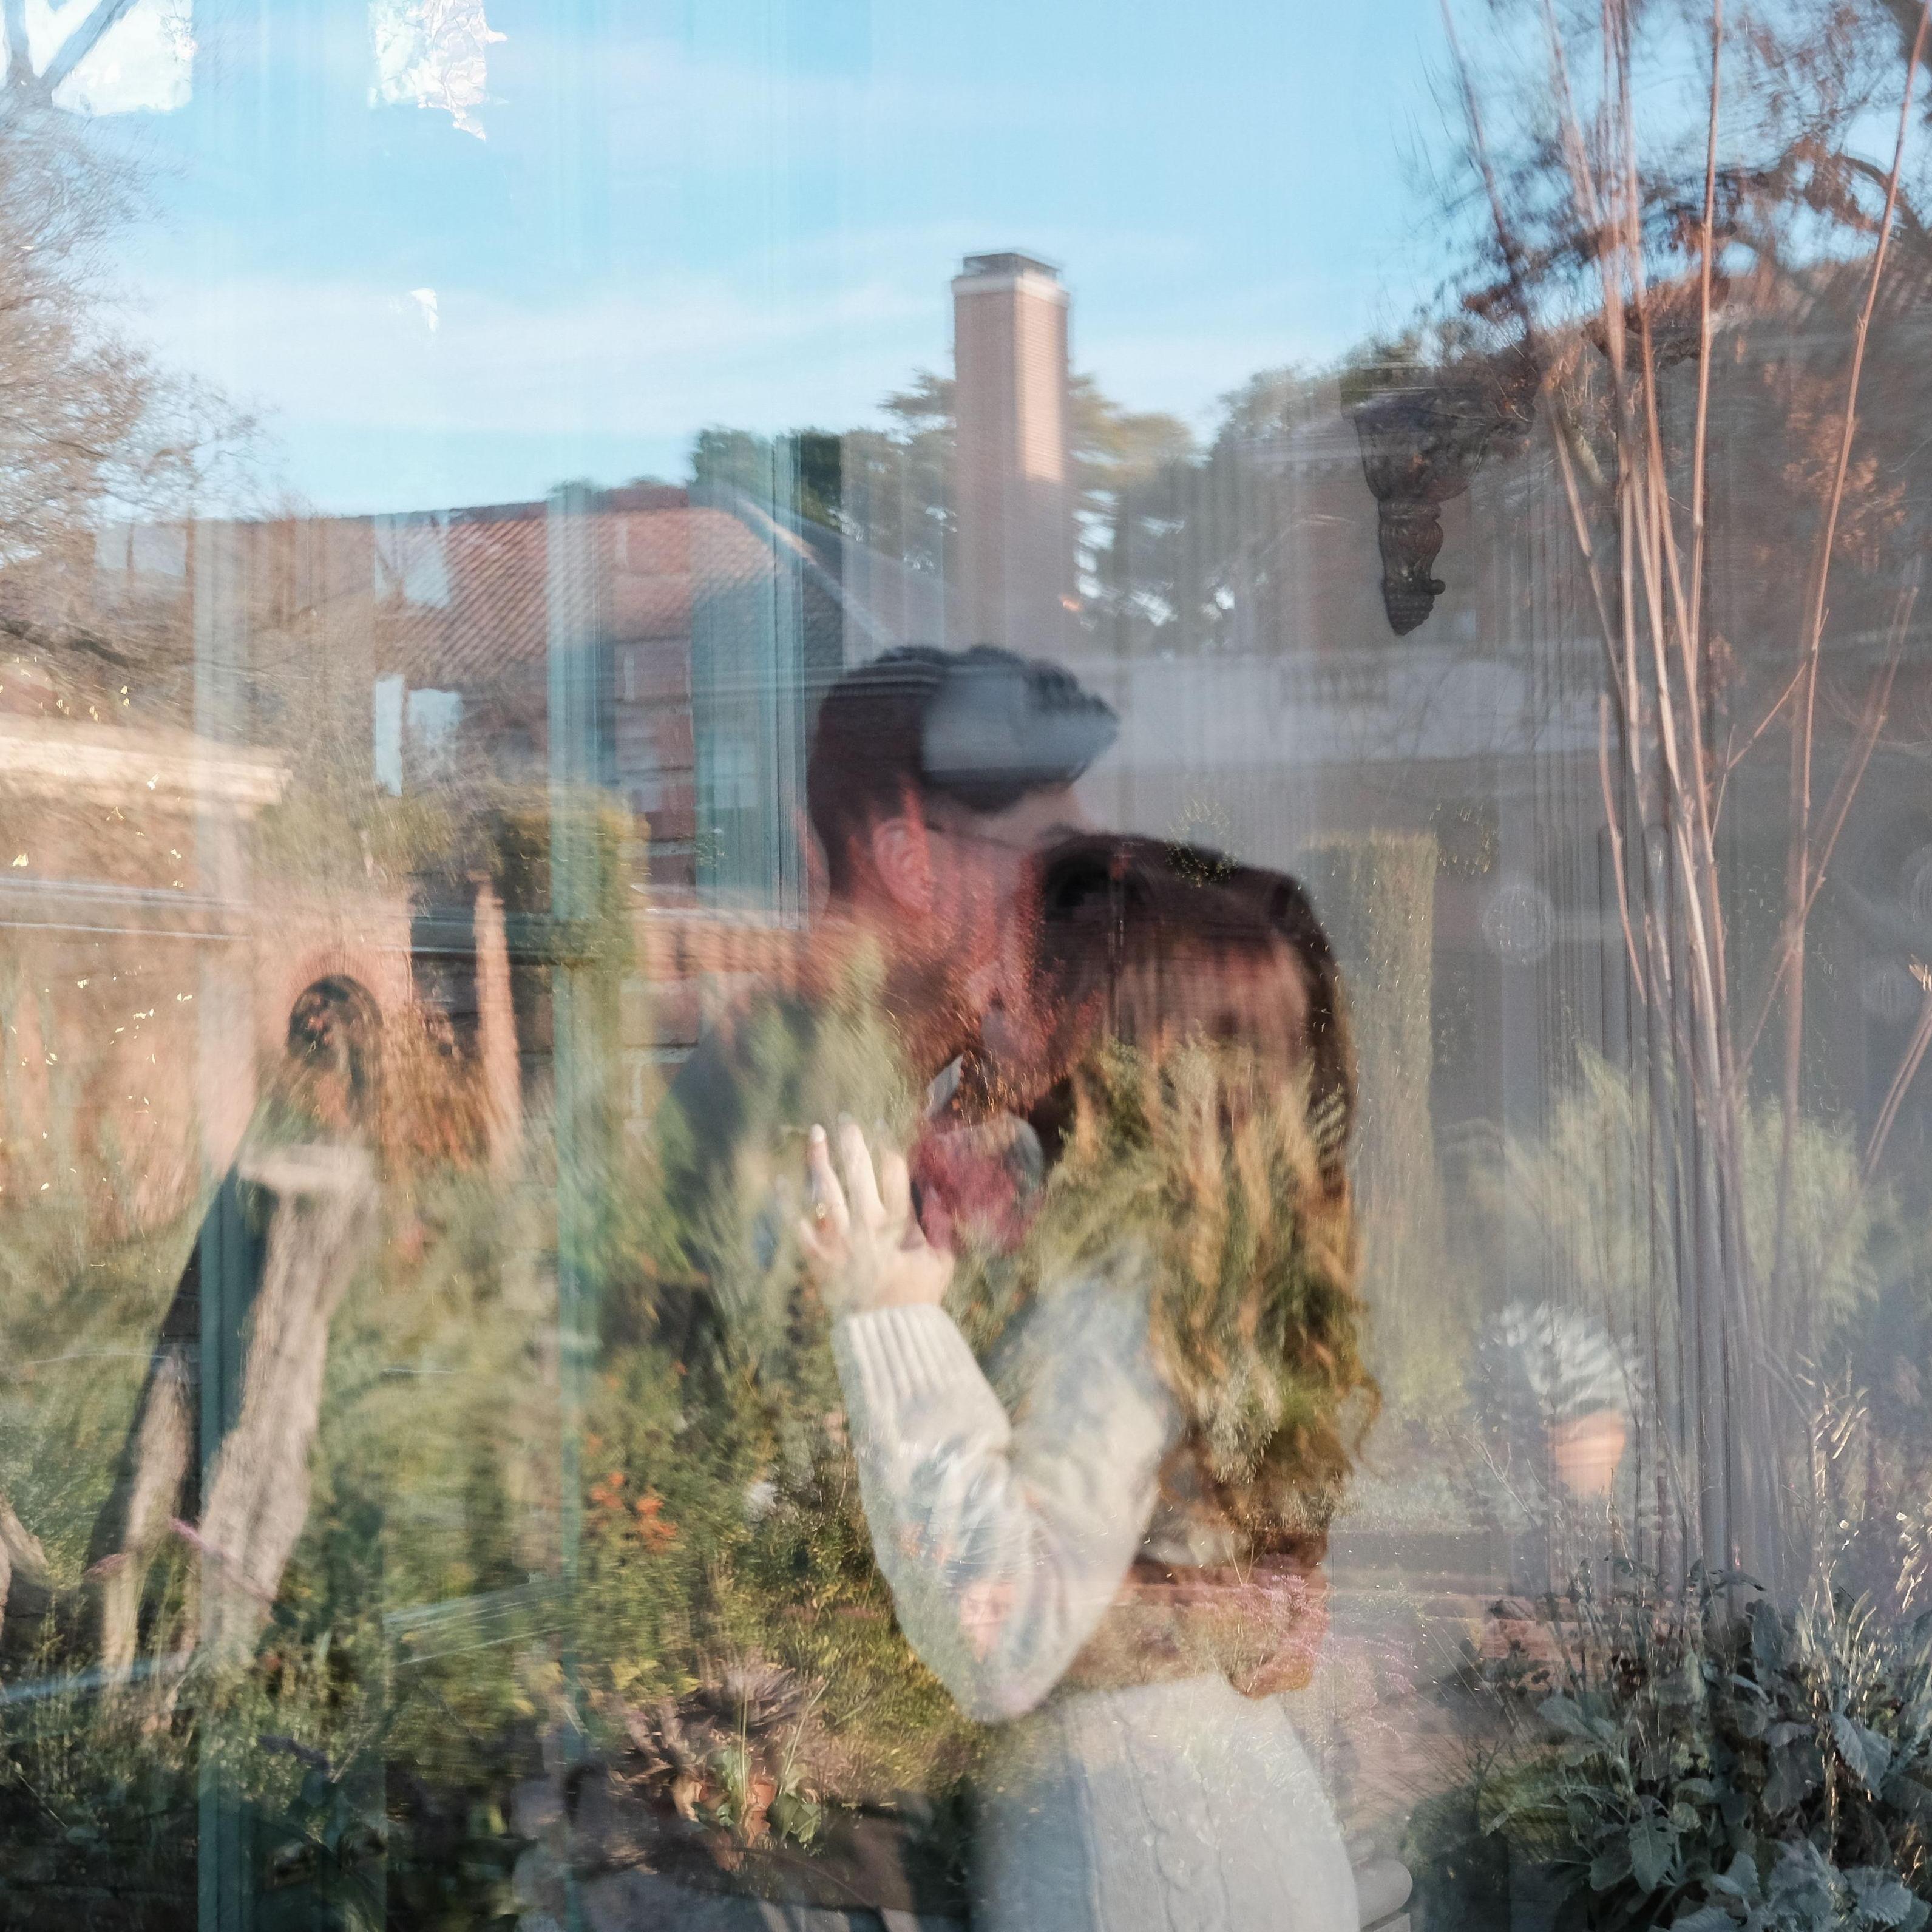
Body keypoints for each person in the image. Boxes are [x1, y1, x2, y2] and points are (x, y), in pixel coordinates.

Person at [599, 648, 1116, 1927]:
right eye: (1047, 861)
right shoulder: (804, 1113)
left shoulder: (897, 1081)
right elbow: (825, 1509)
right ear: (908, 857)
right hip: (814, 1853)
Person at [799, 834, 1374, 1932]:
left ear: (1107, 1032)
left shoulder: (1121, 1296)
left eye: (1023, 974)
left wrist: (889, 1321)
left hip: (1148, 1866)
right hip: (1195, 1826)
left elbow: (1004, 1635)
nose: (983, 992)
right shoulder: (1176, 1264)